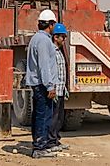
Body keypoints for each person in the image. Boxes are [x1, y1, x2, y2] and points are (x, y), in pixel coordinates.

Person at [26, 9, 58, 159]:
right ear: (50, 25)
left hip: (38, 84)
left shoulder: (36, 38)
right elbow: (44, 65)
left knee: (40, 115)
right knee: (43, 116)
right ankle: (39, 148)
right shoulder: (44, 41)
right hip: (42, 85)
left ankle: (41, 145)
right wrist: (50, 86)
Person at [47, 23, 70, 153]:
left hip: (60, 90)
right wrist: (52, 88)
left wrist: (64, 88)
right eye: (63, 37)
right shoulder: (51, 51)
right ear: (56, 37)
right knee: (53, 117)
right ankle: (50, 142)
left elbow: (61, 71)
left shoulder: (59, 52)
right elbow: (50, 71)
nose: (64, 39)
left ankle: (56, 140)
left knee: (59, 117)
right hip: (54, 91)